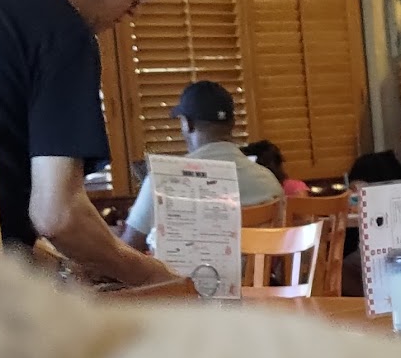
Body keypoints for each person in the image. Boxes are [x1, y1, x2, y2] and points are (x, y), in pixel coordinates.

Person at [0, 0, 178, 286]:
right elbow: (57, 215)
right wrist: (155, 277)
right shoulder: (62, 29)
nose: (135, 10)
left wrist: (66, 266)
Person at [121, 81, 284, 253]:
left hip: (184, 272)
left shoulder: (161, 181)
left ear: (187, 124)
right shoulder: (269, 182)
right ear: (232, 124)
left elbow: (126, 251)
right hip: (254, 272)